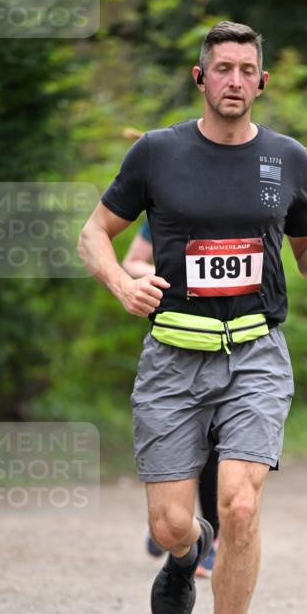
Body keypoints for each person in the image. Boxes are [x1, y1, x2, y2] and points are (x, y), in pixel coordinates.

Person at [78, 21, 307, 614]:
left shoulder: (287, 157)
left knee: (241, 504)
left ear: (262, 81)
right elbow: (92, 233)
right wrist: (120, 284)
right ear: (200, 77)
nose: (233, 80)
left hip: (255, 351)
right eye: (220, 67)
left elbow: (303, 248)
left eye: (245, 69)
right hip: (172, 357)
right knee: (171, 523)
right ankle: (183, 550)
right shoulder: (156, 152)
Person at [120, 211, 220, 577]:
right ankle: (171, 521)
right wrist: (163, 280)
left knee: (215, 444)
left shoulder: (247, 210)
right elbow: (132, 261)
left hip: (235, 343)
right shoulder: (167, 208)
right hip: (175, 340)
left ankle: (209, 536)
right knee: (179, 437)